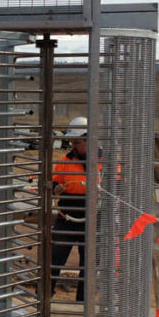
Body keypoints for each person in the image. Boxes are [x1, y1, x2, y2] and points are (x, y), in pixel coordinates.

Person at [50, 116, 98, 302]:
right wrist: (56, 189)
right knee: (55, 258)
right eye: (72, 142)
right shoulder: (65, 160)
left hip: (93, 218)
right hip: (67, 216)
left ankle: (83, 304)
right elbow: (52, 183)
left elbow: (116, 187)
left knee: (89, 265)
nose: (74, 146)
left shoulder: (105, 161)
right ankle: (45, 300)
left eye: (77, 142)